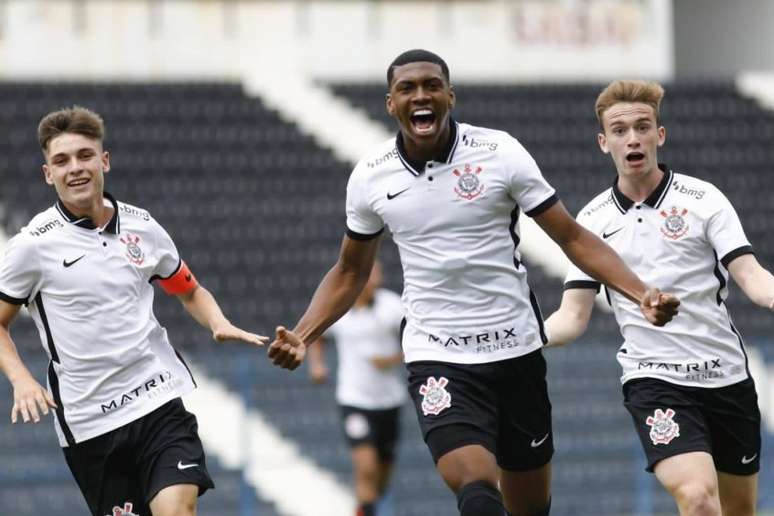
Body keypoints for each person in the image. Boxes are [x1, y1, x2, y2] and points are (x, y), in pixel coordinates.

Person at [267, 50, 680, 516]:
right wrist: (303, 334)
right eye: (407, 88)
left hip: (515, 352)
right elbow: (350, 271)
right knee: (477, 489)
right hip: (438, 354)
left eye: (431, 85)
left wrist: (640, 291)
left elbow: (571, 236)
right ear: (390, 104)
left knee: (529, 507)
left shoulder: (498, 152)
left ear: (449, 96)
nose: (421, 95)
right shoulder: (370, 176)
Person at [0, 106, 268, 516]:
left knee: (178, 510)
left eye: (85, 155)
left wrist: (218, 322)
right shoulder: (32, 247)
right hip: (91, 423)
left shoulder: (143, 226)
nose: (75, 168)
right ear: (48, 174)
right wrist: (21, 379)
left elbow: (188, 288)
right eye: (61, 160)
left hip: (157, 400)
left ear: (104, 160)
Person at [544, 80, 770, 516]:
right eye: (620, 130)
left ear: (659, 135)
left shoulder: (704, 200)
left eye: (643, 127)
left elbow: (755, 280)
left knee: (738, 509)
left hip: (726, 378)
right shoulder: (591, 221)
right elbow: (572, 318)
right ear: (603, 142)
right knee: (698, 498)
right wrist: (518, 336)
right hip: (655, 380)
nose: (633, 138)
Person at [307, 261, 405, 516]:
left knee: (381, 477)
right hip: (354, 400)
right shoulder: (341, 309)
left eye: (376, 272)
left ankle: (365, 506)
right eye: (368, 271)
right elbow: (318, 336)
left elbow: (419, 342)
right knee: (366, 467)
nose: (373, 278)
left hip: (390, 401)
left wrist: (393, 359)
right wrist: (317, 365)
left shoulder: (393, 307)